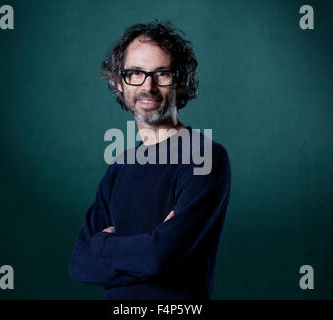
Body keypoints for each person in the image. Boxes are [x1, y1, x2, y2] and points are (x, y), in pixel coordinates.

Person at [69, 21, 232, 300]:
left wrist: (104, 243)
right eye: (135, 73)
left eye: (162, 73)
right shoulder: (119, 167)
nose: (148, 85)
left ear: (180, 82)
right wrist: (144, 251)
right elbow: (80, 265)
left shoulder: (205, 157)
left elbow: (157, 257)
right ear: (119, 83)